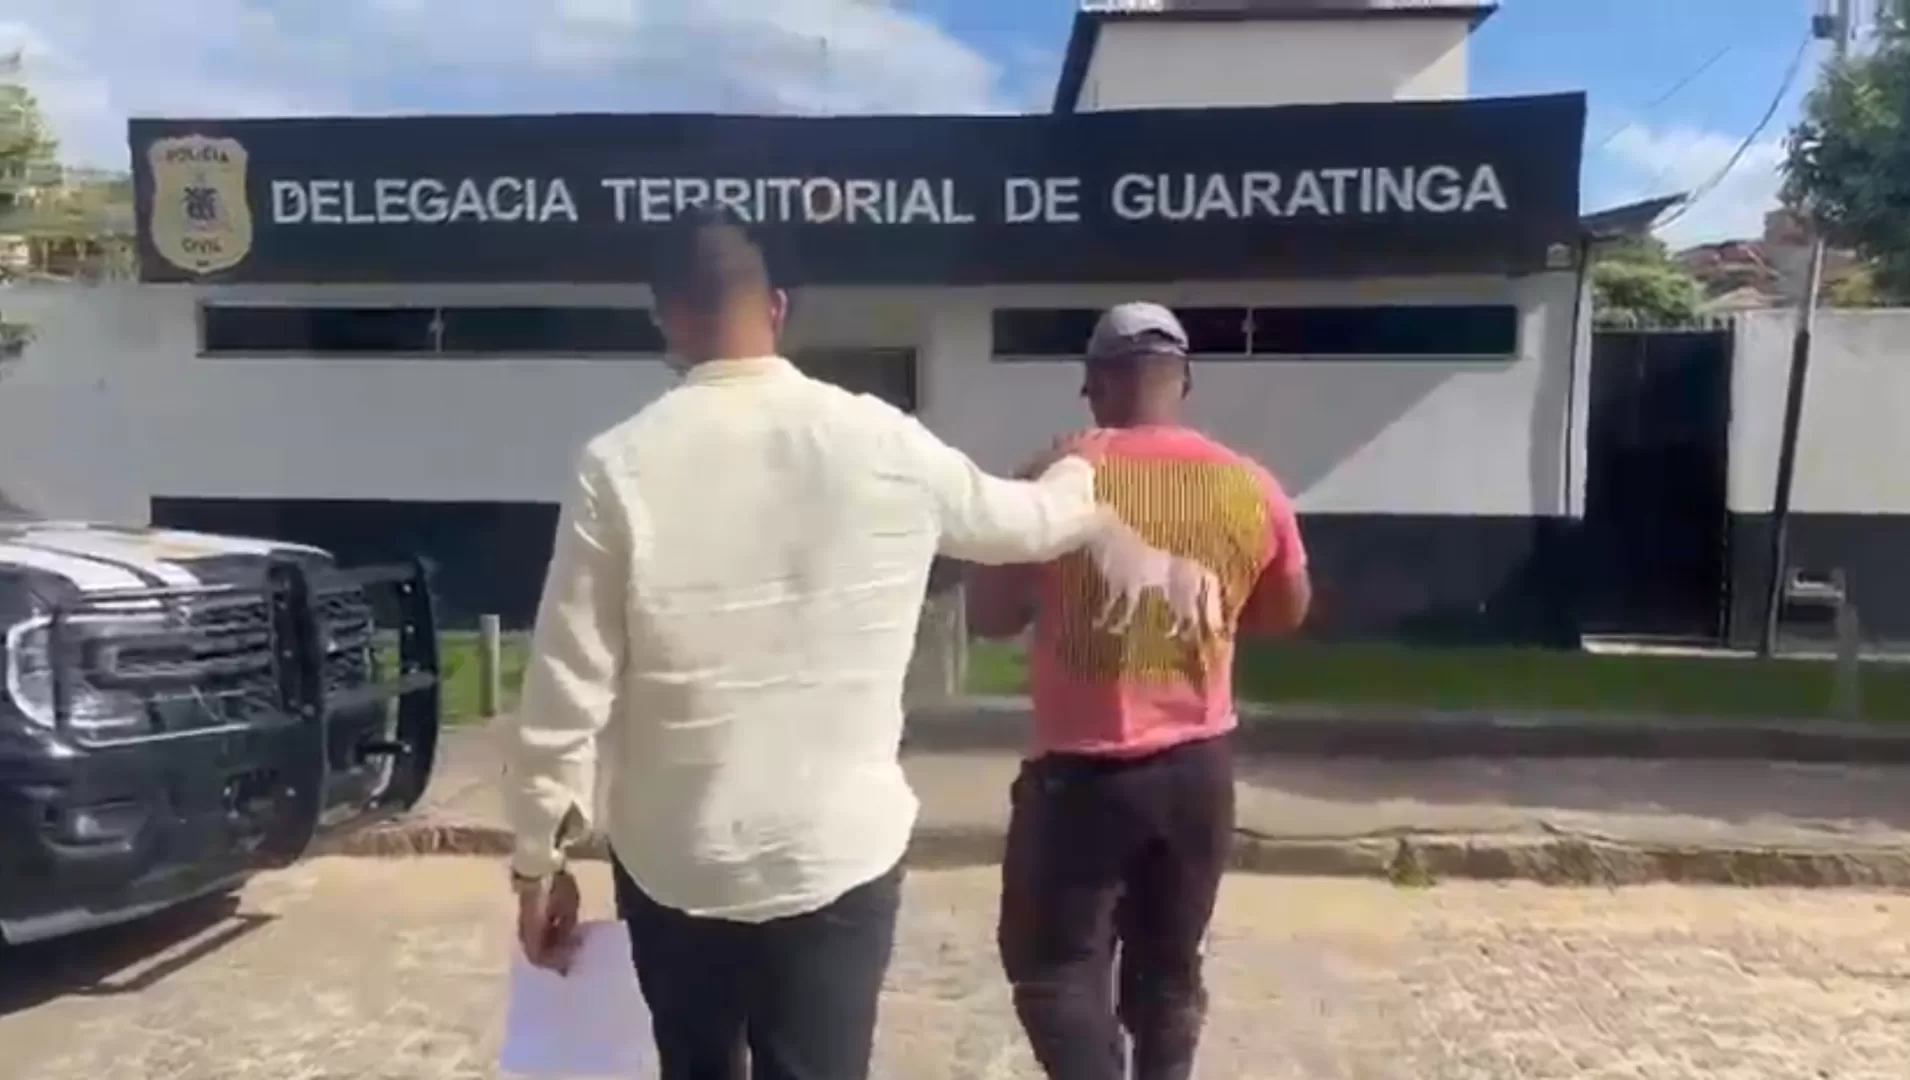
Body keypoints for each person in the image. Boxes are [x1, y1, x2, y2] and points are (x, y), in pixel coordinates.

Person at [498, 204, 1109, 1080]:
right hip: (835, 850)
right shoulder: (883, 440)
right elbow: (1031, 524)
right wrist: (1080, 466)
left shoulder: (618, 466)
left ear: (669, 318)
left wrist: (539, 862)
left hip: (678, 861)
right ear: (777, 308)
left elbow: (565, 688)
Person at [967, 303, 1312, 1080]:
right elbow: (1285, 612)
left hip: (1081, 780)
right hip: (1198, 773)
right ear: (1183, 380)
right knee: (1169, 974)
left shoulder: (1057, 477)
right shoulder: (1249, 482)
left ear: (1093, 384)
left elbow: (988, 617)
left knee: (1053, 971)